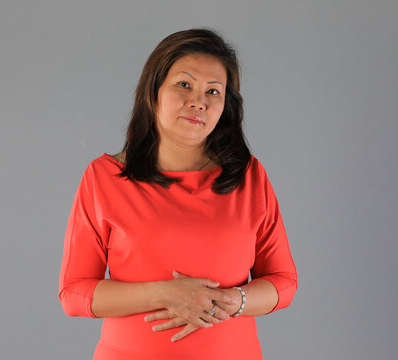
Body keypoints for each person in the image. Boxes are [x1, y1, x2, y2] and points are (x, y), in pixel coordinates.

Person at [58, 28, 298, 359]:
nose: (198, 101)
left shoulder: (249, 176)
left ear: (225, 105)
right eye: (184, 84)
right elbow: (74, 293)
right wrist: (164, 294)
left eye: (213, 91)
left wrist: (236, 301)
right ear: (153, 91)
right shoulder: (104, 178)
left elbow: (283, 282)